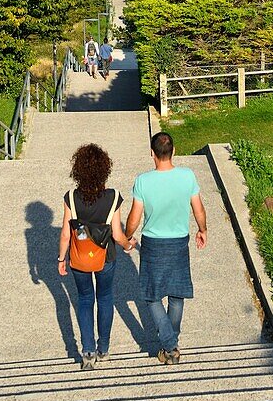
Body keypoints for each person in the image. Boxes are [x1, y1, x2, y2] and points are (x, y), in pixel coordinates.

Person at [125, 131, 207, 365]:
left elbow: (134, 217)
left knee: (151, 295)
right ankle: (172, 342)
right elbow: (198, 208)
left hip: (152, 243)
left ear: (152, 153)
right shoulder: (187, 176)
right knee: (176, 294)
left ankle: (169, 345)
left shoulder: (143, 181)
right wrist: (203, 229)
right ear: (174, 151)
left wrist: (128, 237)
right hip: (179, 241)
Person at [58, 144, 136, 370]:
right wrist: (128, 245)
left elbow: (65, 234)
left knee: (84, 300)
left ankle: (88, 351)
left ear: (78, 170)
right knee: (105, 299)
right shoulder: (113, 197)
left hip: (79, 257)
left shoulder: (71, 197)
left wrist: (61, 259)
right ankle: (103, 349)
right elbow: (118, 234)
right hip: (106, 257)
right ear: (105, 169)